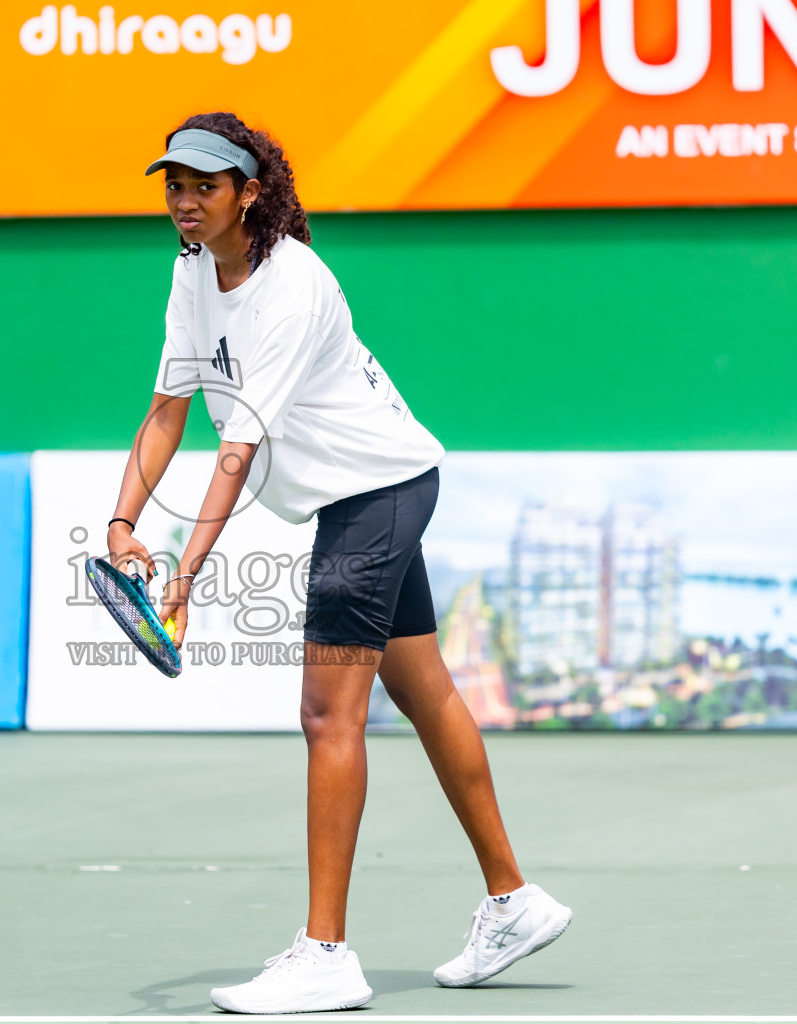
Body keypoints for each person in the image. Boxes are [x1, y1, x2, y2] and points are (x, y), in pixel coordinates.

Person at [105, 112, 572, 1015]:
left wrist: (185, 578)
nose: (185, 201)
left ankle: (325, 953)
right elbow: (169, 408)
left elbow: (237, 448)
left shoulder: (293, 286)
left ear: (248, 192)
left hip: (377, 494)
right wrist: (123, 521)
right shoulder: (193, 272)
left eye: (205, 185)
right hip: (376, 489)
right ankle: (514, 902)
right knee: (424, 689)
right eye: (174, 185)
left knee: (327, 714)